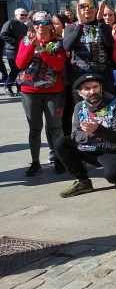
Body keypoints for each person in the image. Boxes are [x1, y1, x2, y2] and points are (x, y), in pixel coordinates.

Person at [55, 74, 116, 197]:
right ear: (80, 93)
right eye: (87, 88)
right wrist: (90, 134)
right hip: (92, 148)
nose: (92, 91)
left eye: (95, 87)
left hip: (114, 150)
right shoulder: (79, 107)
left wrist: (98, 129)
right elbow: (75, 135)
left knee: (113, 176)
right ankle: (83, 182)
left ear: (101, 87)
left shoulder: (115, 104)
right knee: (62, 143)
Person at [16, 11, 68, 177]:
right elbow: (20, 64)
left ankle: (60, 160)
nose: (40, 26)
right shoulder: (25, 41)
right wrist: (32, 45)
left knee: (56, 127)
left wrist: (41, 50)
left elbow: (58, 66)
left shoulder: (58, 43)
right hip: (30, 91)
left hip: (54, 91)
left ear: (51, 26)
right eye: (37, 23)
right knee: (34, 128)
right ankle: (35, 162)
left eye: (45, 23)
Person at [63, 0, 115, 99]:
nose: (87, 9)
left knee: (106, 109)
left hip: (101, 75)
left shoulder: (103, 26)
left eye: (90, 6)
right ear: (78, 9)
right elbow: (67, 46)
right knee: (82, 110)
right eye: (83, 6)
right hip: (79, 75)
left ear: (96, 9)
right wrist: (80, 25)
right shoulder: (71, 27)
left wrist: (100, 21)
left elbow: (109, 43)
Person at [1, 7, 29, 96]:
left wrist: (27, 44)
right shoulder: (10, 23)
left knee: (21, 69)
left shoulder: (24, 26)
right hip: (12, 51)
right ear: (16, 15)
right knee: (15, 69)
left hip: (22, 51)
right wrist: (16, 42)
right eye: (22, 15)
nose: (24, 16)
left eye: (25, 15)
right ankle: (8, 85)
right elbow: (3, 34)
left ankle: (20, 87)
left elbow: (25, 38)